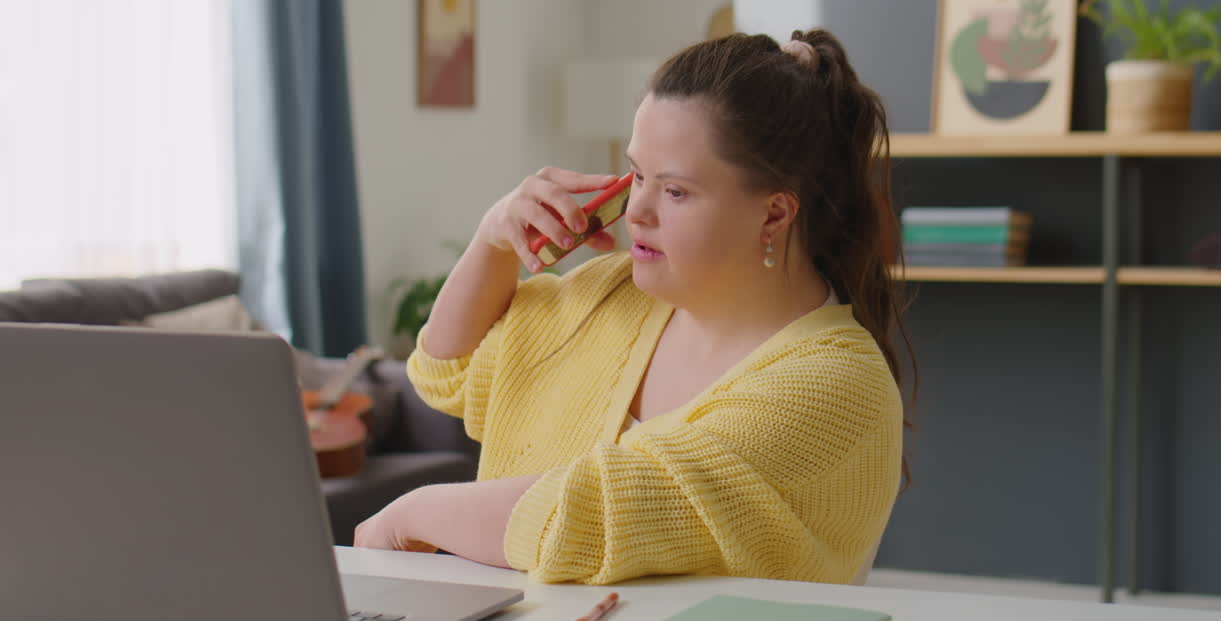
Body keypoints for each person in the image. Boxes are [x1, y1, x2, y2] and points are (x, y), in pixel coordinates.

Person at [354, 29, 915, 586]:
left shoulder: (839, 385)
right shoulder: (610, 294)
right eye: (637, 175)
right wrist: (493, 242)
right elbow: (447, 372)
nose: (637, 211)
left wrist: (413, 514)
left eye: (675, 191)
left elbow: (600, 511)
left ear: (773, 215)